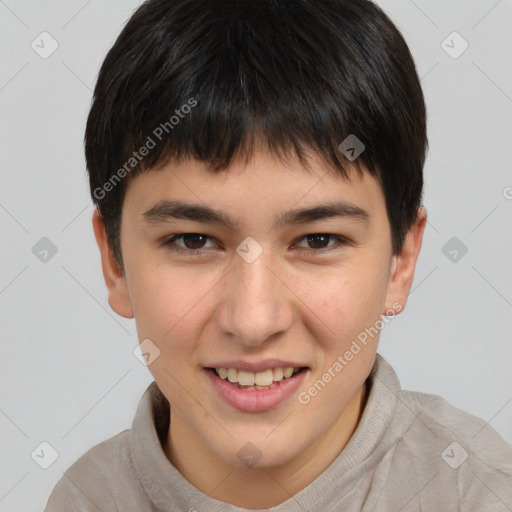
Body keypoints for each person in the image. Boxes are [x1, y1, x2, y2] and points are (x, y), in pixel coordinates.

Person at [44, 0, 512, 510]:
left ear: (401, 259)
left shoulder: (481, 493)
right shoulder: (82, 499)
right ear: (115, 262)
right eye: (193, 240)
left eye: (317, 241)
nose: (253, 320)